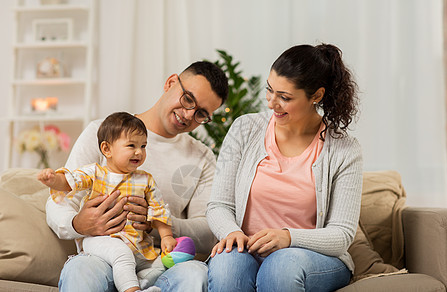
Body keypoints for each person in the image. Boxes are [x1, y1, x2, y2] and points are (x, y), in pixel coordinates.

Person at [46, 61, 229, 291]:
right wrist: (77, 224)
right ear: (171, 83)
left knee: (196, 273)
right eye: (188, 99)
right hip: (103, 257)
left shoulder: (202, 157)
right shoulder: (102, 132)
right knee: (79, 269)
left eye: (201, 113)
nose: (188, 114)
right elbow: (59, 199)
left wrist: (157, 223)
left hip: (158, 261)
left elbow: (208, 229)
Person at [206, 43, 363, 292]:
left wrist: (289, 237)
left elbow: (341, 235)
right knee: (227, 267)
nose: (271, 103)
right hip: (246, 250)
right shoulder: (244, 129)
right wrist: (232, 231)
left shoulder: (344, 149)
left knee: (281, 266)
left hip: (306, 258)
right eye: (270, 90)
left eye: (285, 97)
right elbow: (219, 206)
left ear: (317, 96)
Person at [39, 112, 174, 292]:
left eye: (143, 146)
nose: (139, 152)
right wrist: (53, 179)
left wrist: (166, 236)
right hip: (100, 239)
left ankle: (141, 284)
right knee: (122, 254)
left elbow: (158, 210)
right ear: (107, 149)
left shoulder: (146, 180)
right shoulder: (95, 173)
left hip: (136, 242)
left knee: (161, 264)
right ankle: (131, 290)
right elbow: (70, 182)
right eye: (131, 145)